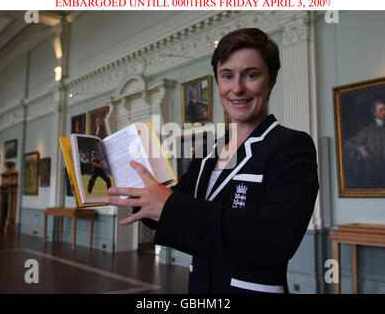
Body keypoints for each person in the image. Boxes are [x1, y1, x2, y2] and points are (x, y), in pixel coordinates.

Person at [107, 28, 319, 294]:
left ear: (272, 79)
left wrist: (170, 205)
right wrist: (130, 189)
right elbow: (168, 211)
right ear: (218, 81)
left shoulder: (289, 145)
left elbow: (276, 236)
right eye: (227, 76)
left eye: (251, 75)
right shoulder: (208, 153)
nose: (237, 88)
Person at [345, 100, 385, 188]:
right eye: (381, 110)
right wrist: (361, 148)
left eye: (384, 109)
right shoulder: (368, 130)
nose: (384, 112)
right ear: (374, 113)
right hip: (374, 171)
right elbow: (348, 144)